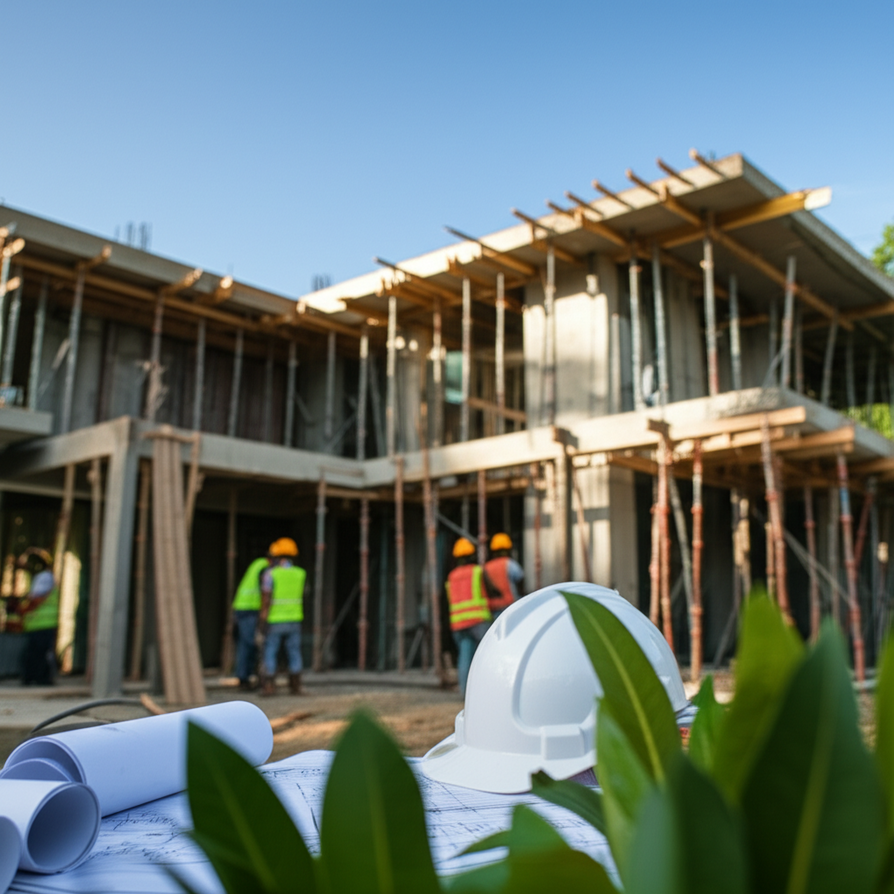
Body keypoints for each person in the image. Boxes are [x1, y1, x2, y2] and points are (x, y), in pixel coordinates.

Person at [446, 537, 493, 697]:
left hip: (458, 623)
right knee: (487, 656)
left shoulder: (451, 576)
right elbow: (491, 591)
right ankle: (487, 691)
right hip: (478, 620)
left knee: (465, 658)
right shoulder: (477, 571)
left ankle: (465, 693)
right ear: (472, 555)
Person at [258, 537, 307, 696]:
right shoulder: (300, 573)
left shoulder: (271, 574)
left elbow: (266, 599)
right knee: (294, 652)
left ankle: (270, 686)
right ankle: (295, 686)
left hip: (275, 620)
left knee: (270, 651)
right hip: (295, 619)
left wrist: (262, 620)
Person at [18, 549, 58, 686]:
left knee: (39, 655)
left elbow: (37, 599)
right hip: (37, 624)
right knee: (33, 654)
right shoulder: (40, 577)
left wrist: (22, 610)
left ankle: (41, 679)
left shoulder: (44, 577)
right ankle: (32, 678)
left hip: (44, 624)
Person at [231, 553, 270, 690]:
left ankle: (245, 678)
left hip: (243, 609)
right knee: (249, 644)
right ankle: (244, 679)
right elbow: (265, 590)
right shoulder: (265, 567)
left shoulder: (258, 563)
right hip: (249, 610)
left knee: (246, 644)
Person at [484, 533, 525, 619]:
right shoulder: (509, 563)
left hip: (493, 607)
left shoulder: (486, 567)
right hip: (510, 605)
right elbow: (520, 580)